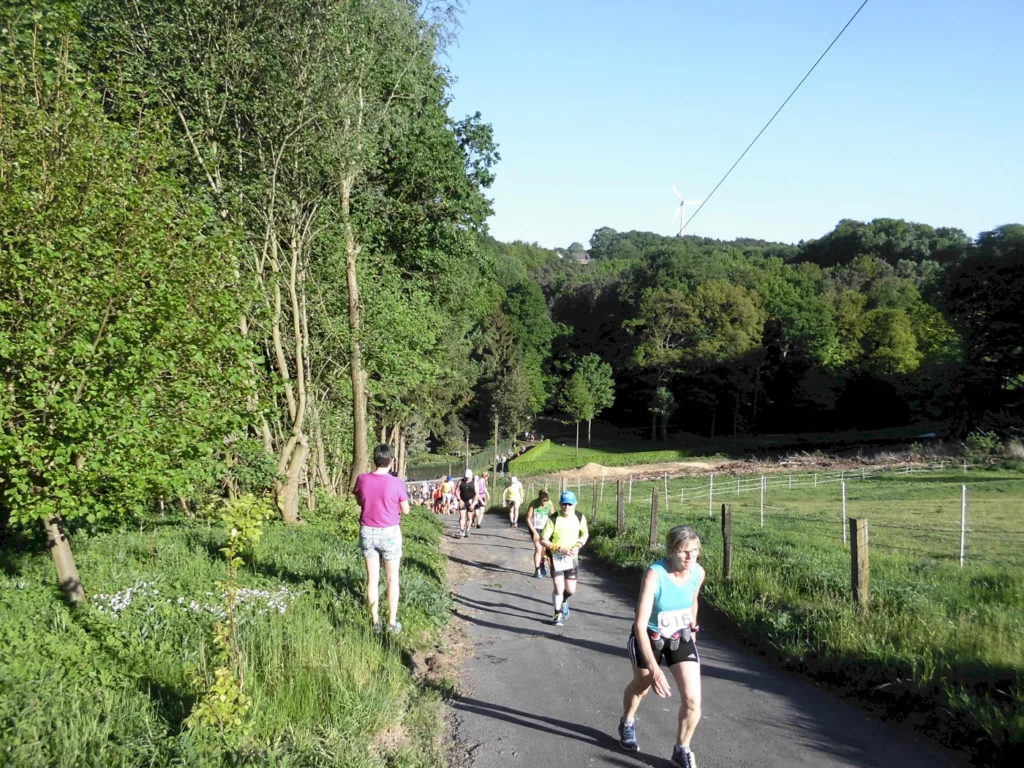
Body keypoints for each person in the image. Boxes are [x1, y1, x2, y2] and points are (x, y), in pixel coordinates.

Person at [618, 525, 704, 768]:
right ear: (671, 550)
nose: (690, 557)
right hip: (649, 636)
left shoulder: (698, 572)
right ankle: (627, 722)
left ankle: (682, 748)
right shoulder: (654, 574)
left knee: (693, 700)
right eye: (684, 552)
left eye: (695, 552)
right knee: (642, 685)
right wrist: (656, 670)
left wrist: (693, 628)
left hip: (680, 636)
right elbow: (640, 624)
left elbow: (693, 600)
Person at [353, 444, 410, 635]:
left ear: (374, 459)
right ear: (391, 460)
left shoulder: (362, 479)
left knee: (372, 578)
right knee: (392, 580)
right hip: (390, 533)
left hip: (368, 531)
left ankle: (376, 622)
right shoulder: (397, 482)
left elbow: (360, 500)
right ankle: (392, 623)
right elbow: (406, 510)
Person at [539, 490, 589, 626]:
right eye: (563, 504)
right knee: (558, 587)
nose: (566, 507)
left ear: (575, 504)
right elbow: (542, 540)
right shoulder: (554, 519)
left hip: (571, 559)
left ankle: (564, 601)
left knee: (570, 590)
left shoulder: (579, 517)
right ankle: (557, 613)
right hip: (556, 557)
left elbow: (585, 534)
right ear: (560, 503)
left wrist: (578, 545)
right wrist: (559, 548)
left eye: (569, 504)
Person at [525, 490, 555, 578]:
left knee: (544, 550)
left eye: (546, 502)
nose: (544, 504)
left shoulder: (549, 503)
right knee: (538, 548)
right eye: (543, 502)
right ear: (539, 499)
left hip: (545, 528)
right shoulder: (533, 504)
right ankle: (537, 570)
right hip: (535, 528)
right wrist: (534, 533)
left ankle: (542, 563)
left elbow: (553, 517)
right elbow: (528, 519)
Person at [456, 469, 480, 538]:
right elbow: (456, 491)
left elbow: (477, 494)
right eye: (466, 477)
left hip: (470, 501)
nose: (467, 479)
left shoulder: (474, 482)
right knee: (462, 516)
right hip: (462, 501)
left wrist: (473, 504)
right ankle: (461, 530)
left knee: (469, 517)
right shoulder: (460, 482)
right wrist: (459, 499)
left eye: (468, 477)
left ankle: (467, 530)